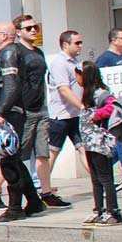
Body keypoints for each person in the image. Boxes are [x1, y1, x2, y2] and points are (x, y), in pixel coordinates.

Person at [0, 20, 45, 221]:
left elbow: (11, 86)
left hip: (10, 114)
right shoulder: (8, 53)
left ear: (4, 35)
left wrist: (0, 112)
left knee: (9, 160)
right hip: (9, 111)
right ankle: (34, 202)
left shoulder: (9, 53)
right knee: (15, 159)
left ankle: (15, 208)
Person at [10, 14, 56, 203]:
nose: (33, 31)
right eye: (28, 28)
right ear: (18, 31)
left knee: (43, 153)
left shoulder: (38, 52)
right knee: (18, 154)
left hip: (41, 108)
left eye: (35, 27)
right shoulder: (16, 52)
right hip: (25, 109)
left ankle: (46, 193)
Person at [76, 61, 121, 225]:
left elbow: (113, 106)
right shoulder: (88, 94)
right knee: (95, 178)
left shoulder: (101, 93)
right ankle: (99, 209)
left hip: (99, 142)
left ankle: (113, 211)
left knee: (105, 178)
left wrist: (97, 116)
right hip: (89, 142)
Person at [45, 30, 84, 203]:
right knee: (52, 152)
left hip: (74, 115)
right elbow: (63, 89)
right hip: (61, 116)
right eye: (77, 43)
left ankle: (102, 184)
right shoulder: (60, 63)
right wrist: (82, 106)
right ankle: (44, 188)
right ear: (65, 44)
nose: (80, 46)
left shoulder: (76, 62)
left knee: (83, 148)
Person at [94, 28, 122, 186]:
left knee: (119, 144)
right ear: (114, 40)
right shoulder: (104, 59)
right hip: (114, 108)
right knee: (121, 139)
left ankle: (103, 168)